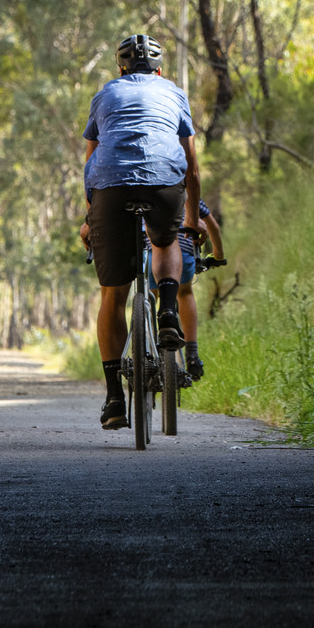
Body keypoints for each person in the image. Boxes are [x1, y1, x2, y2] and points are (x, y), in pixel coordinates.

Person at [79, 33, 201, 430]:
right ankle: (168, 309)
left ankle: (115, 397)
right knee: (165, 240)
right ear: (160, 70)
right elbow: (192, 164)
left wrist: (90, 214)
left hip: (109, 187)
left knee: (112, 296)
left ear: (121, 69)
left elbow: (91, 158)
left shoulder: (105, 94)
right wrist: (193, 221)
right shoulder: (175, 93)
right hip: (164, 181)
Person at [173, 199, 226, 384]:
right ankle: (192, 354)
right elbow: (213, 226)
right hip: (183, 254)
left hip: (149, 252)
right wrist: (218, 256)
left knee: (151, 293)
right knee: (184, 293)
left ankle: (147, 342)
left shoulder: (141, 187)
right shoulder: (187, 195)